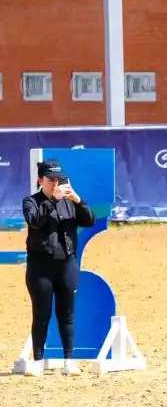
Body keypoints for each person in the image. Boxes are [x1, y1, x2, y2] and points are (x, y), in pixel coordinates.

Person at [22, 160, 94, 376]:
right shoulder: (31, 201)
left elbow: (88, 220)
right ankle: (37, 360)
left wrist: (78, 200)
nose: (55, 183)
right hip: (40, 267)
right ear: (40, 181)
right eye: (51, 179)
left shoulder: (69, 202)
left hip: (66, 265)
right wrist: (53, 200)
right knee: (41, 313)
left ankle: (69, 360)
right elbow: (35, 221)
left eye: (58, 179)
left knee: (67, 314)